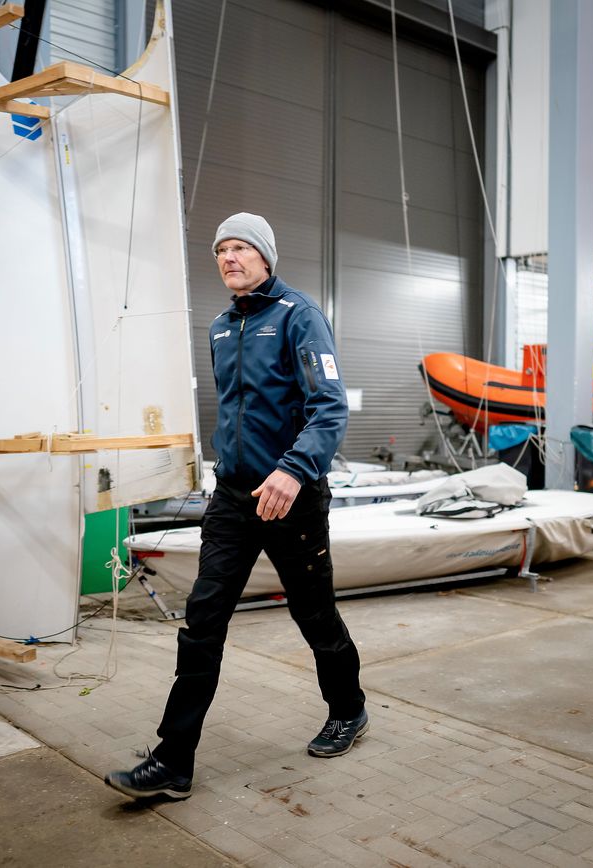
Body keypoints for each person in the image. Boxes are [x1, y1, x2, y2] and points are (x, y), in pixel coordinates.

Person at [106, 213, 367, 801]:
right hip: (233, 498)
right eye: (220, 249)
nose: (228, 257)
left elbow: (329, 408)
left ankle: (348, 708)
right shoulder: (222, 326)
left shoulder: (300, 317)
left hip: (293, 497)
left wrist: (292, 470)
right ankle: (174, 760)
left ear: (266, 256)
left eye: (240, 247)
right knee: (202, 620)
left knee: (313, 613)